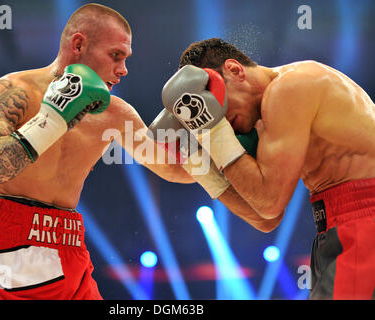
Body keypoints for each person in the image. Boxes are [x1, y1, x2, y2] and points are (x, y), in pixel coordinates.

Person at [0, 3, 193, 300]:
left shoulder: (115, 113)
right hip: (0, 245)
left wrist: (220, 136)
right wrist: (52, 119)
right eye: (115, 56)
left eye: (126, 58)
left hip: (68, 245)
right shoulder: (13, 91)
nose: (123, 69)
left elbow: (171, 167)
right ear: (78, 44)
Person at [159, 37, 375, 300]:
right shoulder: (264, 119)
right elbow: (265, 219)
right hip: (338, 228)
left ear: (235, 70)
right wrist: (198, 163)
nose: (225, 125)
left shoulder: (290, 87)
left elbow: (269, 203)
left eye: (218, 109)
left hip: (364, 223)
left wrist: (211, 131)